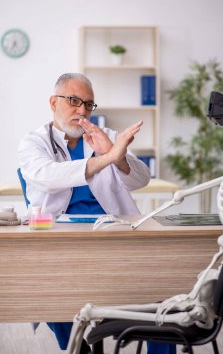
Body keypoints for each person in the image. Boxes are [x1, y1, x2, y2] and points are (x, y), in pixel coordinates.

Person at [19, 73, 176, 353]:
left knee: (159, 287)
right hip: (60, 240)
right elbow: (45, 175)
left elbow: (141, 178)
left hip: (114, 237)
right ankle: (78, 348)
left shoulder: (107, 138)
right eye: (74, 101)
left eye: (89, 104)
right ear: (53, 102)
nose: (82, 109)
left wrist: (117, 156)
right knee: (50, 287)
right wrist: (107, 159)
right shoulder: (34, 142)